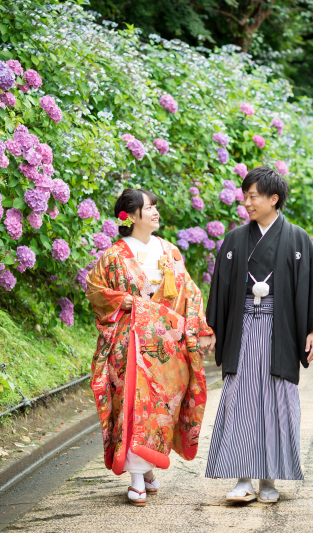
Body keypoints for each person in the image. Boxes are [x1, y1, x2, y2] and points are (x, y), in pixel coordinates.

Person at [204, 166, 313, 503]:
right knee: (240, 400)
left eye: (253, 197)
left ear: (273, 198)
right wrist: (212, 331)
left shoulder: (297, 238)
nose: (247, 203)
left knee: (278, 402)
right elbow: (220, 290)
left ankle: (269, 480)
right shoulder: (236, 239)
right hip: (243, 329)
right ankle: (242, 479)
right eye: (245, 196)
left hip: (281, 332)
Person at [85, 188, 215, 506]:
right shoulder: (114, 255)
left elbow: (191, 294)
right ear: (129, 216)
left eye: (156, 206)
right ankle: (136, 476)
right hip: (128, 344)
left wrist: (200, 329)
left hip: (164, 348)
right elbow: (95, 290)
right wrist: (124, 300)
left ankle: (145, 468)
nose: (156, 212)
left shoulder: (169, 251)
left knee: (159, 408)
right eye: (148, 207)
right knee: (132, 403)